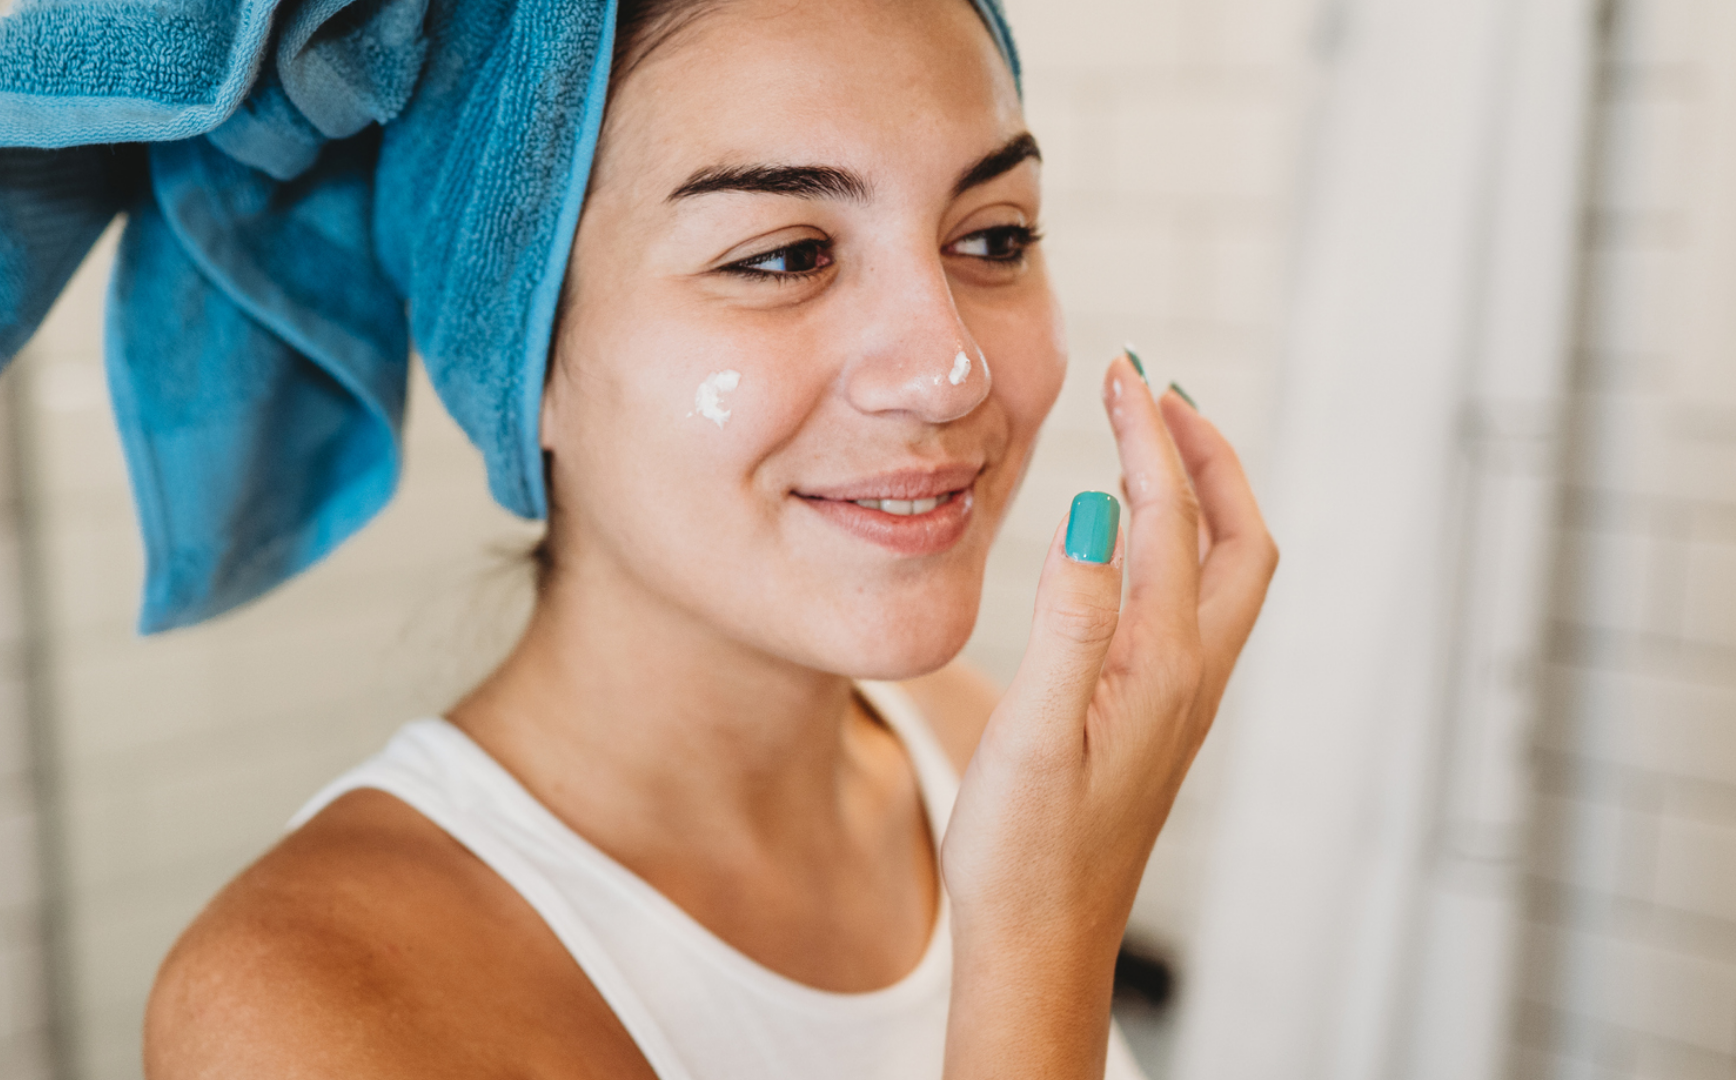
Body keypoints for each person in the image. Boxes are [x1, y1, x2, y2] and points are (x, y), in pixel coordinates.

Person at [141, 0, 1277, 1076]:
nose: (949, 370)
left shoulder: (989, 758)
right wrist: (1043, 949)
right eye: (785, 257)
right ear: (521, 360)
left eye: (992, 236)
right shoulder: (300, 1001)